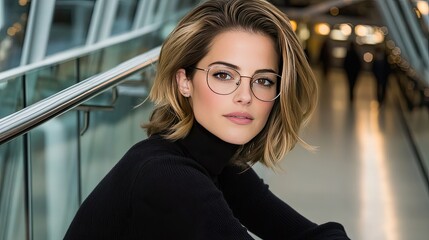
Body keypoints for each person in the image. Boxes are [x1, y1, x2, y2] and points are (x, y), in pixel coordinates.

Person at [64, 0, 350, 239]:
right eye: (224, 75)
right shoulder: (167, 177)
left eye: (263, 80)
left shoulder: (218, 164)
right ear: (184, 81)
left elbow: (310, 235)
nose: (245, 96)